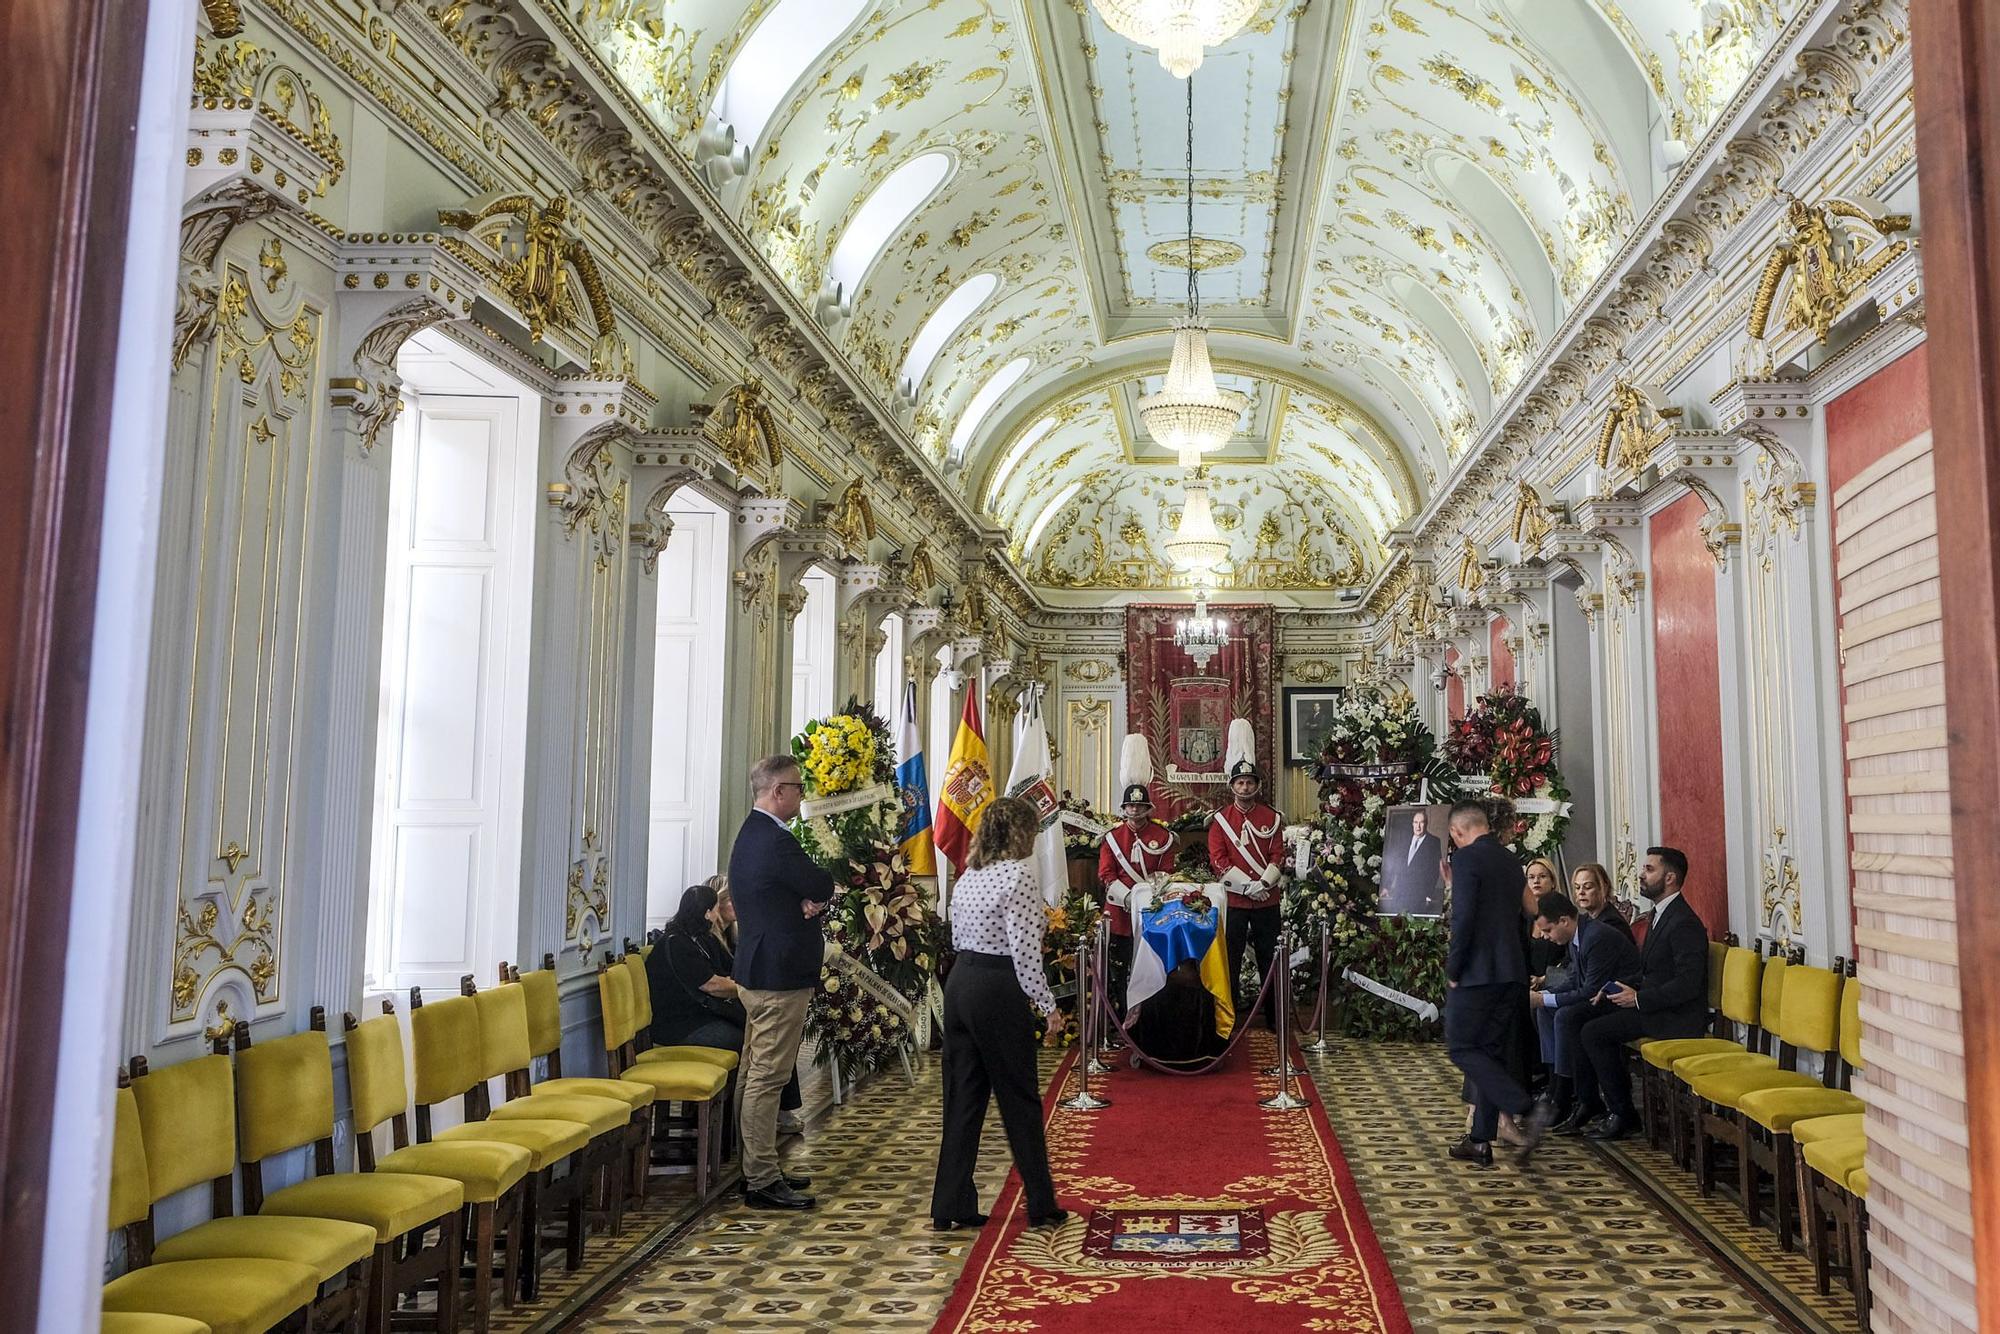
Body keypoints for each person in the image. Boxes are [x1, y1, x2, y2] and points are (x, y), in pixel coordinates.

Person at [929, 797, 1066, 1233]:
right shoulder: (1019, 875)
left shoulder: (970, 874)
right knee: (1019, 1098)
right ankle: (1042, 1204)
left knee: (962, 1098)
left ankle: (950, 1204)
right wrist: (1048, 1006)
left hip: (961, 983)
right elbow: (1025, 951)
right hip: (997, 987)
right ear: (1020, 832)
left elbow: (956, 933)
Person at [730, 755, 836, 1210]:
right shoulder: (776, 841)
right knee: (767, 1078)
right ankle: (760, 1179)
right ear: (777, 791)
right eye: (797, 786)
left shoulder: (751, 835)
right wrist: (811, 895)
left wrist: (802, 901)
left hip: (759, 969)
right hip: (776, 977)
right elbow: (820, 881)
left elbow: (791, 892)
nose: (801, 794)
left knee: (754, 1071)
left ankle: (757, 1167)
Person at [1575, 846, 1711, 1140]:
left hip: (1676, 1017)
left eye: (1649, 869)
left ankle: (1623, 1113)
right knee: (1580, 1013)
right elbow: (1652, 971)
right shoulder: (1660, 914)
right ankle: (1586, 1101)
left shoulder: (1684, 922)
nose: (1641, 874)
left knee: (1594, 1032)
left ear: (1670, 877)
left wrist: (1638, 998)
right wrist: (1613, 987)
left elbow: (1688, 984)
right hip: (1655, 1004)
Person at [1442, 801, 1550, 1166]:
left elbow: (1464, 918)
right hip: (1512, 973)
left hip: (1478, 973)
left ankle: (1527, 1106)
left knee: (1461, 1047)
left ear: (1458, 832)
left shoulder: (1466, 858)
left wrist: (1453, 969)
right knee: (1488, 1053)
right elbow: (1533, 910)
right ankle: (1479, 1141)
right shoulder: (1510, 860)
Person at [647, 883, 803, 1123]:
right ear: (706, 912)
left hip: (703, 1016)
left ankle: (776, 1110)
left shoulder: (702, 940)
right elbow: (713, 985)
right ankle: (749, 1117)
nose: (716, 914)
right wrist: (751, 987)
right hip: (681, 1027)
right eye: (714, 909)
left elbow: (732, 970)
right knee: (755, 1041)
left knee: (771, 1031)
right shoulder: (676, 943)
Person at [1528, 890, 1640, 1130]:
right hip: (1602, 998)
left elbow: (1589, 989)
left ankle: (1569, 1094)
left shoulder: (1595, 937)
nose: (1546, 937)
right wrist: (1543, 997)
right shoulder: (1577, 936)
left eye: (1548, 930)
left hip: (1623, 1000)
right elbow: (1574, 980)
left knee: (1569, 1017)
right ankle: (1559, 1084)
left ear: (1564, 921)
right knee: (1546, 1011)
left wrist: (1544, 999)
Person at [1209, 719, 1286, 1026]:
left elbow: (1278, 855)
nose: (1245, 787)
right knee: (1231, 960)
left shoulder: (1272, 817)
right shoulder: (1220, 821)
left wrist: (1263, 884)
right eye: (1240, 783)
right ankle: (1229, 1018)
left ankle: (1273, 1018)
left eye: (1250, 783)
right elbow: (1218, 860)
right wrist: (1247, 888)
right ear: (1232, 787)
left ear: (1258, 786)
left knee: (1270, 958)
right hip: (1237, 901)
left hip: (1267, 899)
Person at [1099, 735, 1176, 1018]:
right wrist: (1128, 897)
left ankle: (1151, 1018)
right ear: (1124, 808)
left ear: (1148, 808)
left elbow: (1167, 871)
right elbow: (1106, 873)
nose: (1135, 811)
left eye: (1140, 806)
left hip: (1153, 913)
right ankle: (1121, 1018)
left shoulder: (1163, 836)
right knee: (1121, 970)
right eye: (1131, 807)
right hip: (1119, 915)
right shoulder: (1112, 838)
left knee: (1153, 968)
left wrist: (1146, 896)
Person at [1383, 808, 1446, 914]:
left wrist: (1428, 893)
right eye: (1416, 822)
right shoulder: (1404, 840)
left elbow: (1434, 870)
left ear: (1426, 824)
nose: (1418, 826)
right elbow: (1394, 865)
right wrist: (1387, 887)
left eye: (1421, 822)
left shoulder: (1433, 842)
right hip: (1399, 893)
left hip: (1419, 896)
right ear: (1412, 824)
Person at [1569, 862, 1633, 942]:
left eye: (1588, 887)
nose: (1581, 892)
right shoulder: (1584, 919)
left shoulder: (1612, 923)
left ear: (1604, 887)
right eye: (1577, 887)